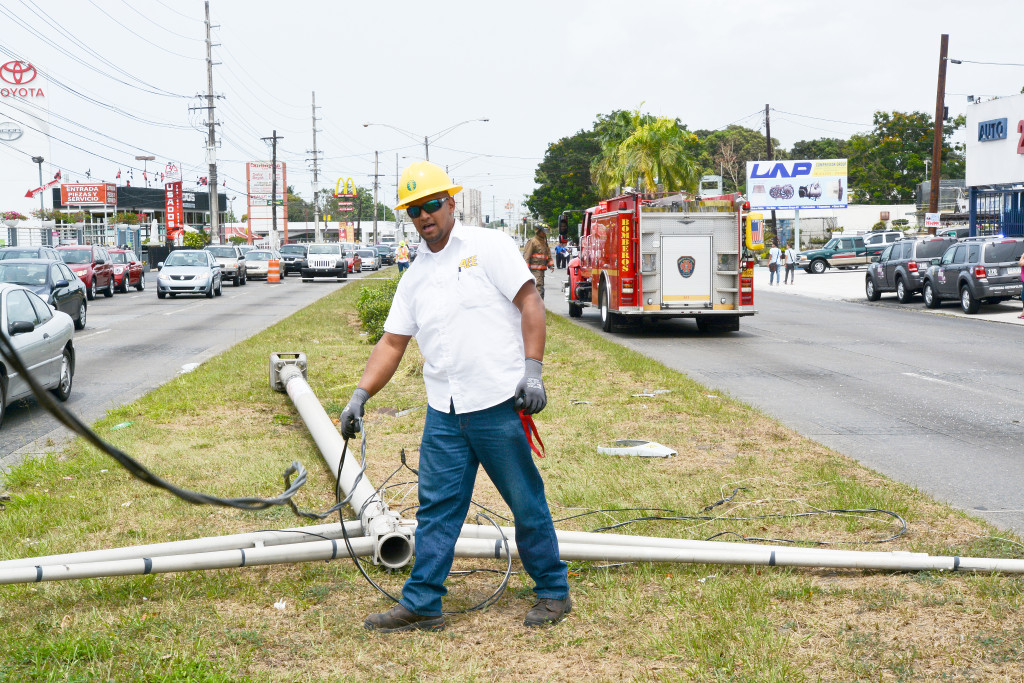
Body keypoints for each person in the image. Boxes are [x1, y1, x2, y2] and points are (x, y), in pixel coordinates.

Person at [340, 161, 571, 633]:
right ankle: (424, 602)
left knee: (525, 500)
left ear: (450, 203)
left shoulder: (489, 247)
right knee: (438, 508)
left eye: (430, 205)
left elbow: (531, 303)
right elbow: (392, 343)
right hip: (444, 411)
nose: (424, 216)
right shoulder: (414, 276)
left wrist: (533, 372)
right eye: (414, 211)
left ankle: (552, 590)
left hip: (497, 403)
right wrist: (360, 395)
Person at [523, 225, 554, 297]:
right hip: (534, 270)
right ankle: (538, 306)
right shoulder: (533, 242)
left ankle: (539, 305)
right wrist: (525, 269)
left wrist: (551, 265)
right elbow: (527, 256)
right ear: (539, 232)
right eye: (544, 232)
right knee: (538, 288)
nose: (545, 234)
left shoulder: (544, 242)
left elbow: (548, 255)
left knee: (540, 288)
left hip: (541, 270)